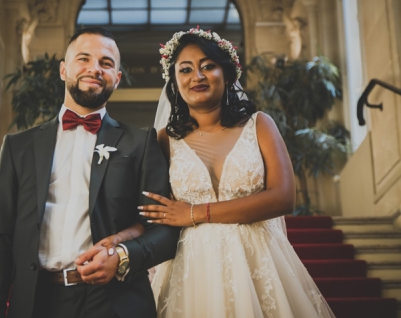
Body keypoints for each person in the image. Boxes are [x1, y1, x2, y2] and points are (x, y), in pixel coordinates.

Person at [0, 27, 181, 318]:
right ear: (63, 69)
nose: (94, 69)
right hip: (37, 302)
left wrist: (123, 257)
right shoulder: (17, 147)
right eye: (83, 59)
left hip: (116, 302)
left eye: (106, 63)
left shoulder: (142, 143)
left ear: (118, 78)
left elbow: (163, 230)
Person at [139, 27, 336, 317]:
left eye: (208, 66)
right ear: (175, 82)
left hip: (259, 259)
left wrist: (194, 213)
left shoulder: (259, 125)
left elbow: (283, 197)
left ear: (228, 74)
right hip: (193, 265)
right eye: (185, 69)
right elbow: (156, 212)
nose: (198, 76)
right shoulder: (163, 141)